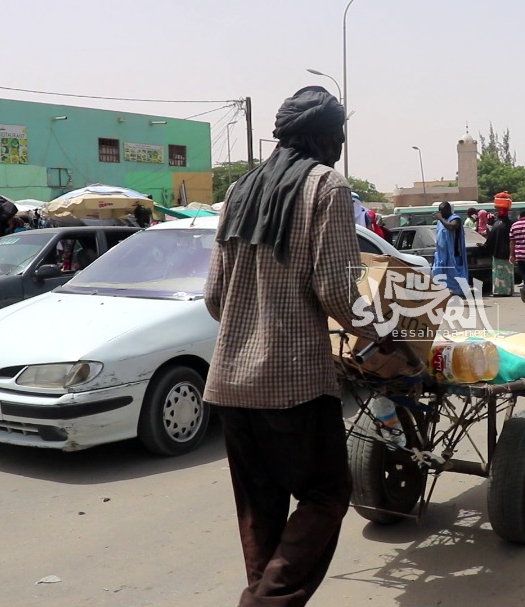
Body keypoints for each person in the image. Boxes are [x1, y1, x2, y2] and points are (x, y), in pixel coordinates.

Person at [204, 86, 389, 607]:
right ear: (324, 135)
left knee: (260, 508)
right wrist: (386, 333)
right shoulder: (326, 186)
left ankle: (261, 595)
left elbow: (214, 298)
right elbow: (336, 289)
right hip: (293, 385)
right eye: (340, 134)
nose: (341, 144)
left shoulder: (240, 190)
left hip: (230, 385)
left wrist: (253, 317)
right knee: (328, 493)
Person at [433, 201, 469, 298]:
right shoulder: (441, 222)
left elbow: (451, 227)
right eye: (440, 211)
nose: (441, 213)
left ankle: (459, 292)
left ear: (448, 210)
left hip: (454, 253)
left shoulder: (455, 219)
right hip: (442, 254)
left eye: (443, 211)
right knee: (438, 272)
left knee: (455, 274)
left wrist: (440, 218)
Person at [483, 194, 514, 296]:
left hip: (498, 254)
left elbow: (490, 241)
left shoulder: (496, 225)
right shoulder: (510, 224)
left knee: (499, 274)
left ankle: (500, 291)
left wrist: (484, 247)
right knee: (508, 273)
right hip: (508, 254)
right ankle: (508, 290)